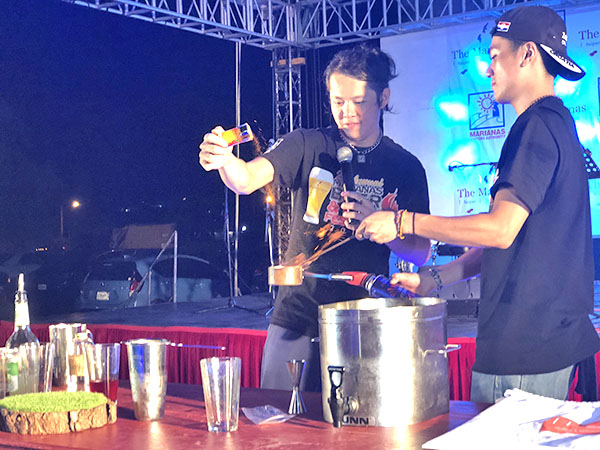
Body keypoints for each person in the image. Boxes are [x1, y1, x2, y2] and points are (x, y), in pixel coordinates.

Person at [355, 5, 600, 403]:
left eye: (495, 56)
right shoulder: (555, 123)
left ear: (527, 54)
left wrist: (402, 222)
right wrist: (434, 278)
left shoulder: (537, 125)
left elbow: (499, 229)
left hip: (525, 352)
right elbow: (510, 240)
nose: (488, 70)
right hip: (540, 346)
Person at [199, 44, 431, 391]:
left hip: (362, 321)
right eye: (338, 102)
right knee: (277, 414)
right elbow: (245, 180)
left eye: (358, 101)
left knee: (355, 419)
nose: (346, 112)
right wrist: (224, 160)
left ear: (383, 98)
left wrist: (384, 227)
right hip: (297, 314)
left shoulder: (405, 166)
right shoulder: (306, 144)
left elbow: (420, 252)